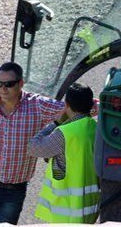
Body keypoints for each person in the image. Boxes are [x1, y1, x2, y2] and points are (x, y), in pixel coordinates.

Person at [0, 62, 96, 225]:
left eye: (9, 84)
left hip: (13, 192)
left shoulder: (38, 106)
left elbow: (75, 108)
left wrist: (99, 104)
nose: (3, 89)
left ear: (21, 83)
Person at [28, 83, 99, 224]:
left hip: (67, 210)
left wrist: (56, 122)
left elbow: (33, 148)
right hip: (90, 208)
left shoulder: (64, 132)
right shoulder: (95, 128)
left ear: (66, 104)